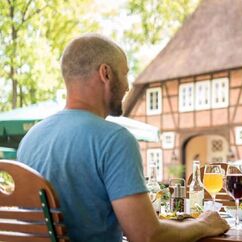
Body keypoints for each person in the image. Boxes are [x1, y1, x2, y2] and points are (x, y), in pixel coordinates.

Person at [17, 33, 229, 242]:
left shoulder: (30, 139)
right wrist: (204, 224)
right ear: (106, 73)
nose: (128, 86)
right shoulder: (115, 139)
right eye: (125, 73)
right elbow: (147, 236)